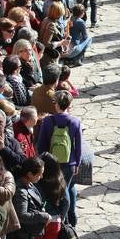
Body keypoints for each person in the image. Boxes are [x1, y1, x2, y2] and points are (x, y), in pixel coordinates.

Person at [37, 91, 82, 229]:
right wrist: (77, 163)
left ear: (56, 104)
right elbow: (78, 146)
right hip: (69, 162)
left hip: (52, 162)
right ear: (69, 104)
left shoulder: (48, 121)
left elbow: (41, 144)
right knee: (68, 187)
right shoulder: (75, 122)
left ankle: (64, 219)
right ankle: (71, 217)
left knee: (59, 190)